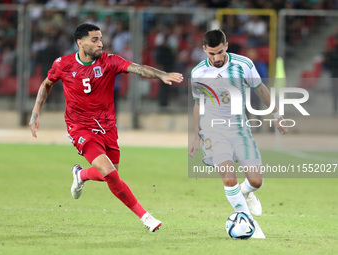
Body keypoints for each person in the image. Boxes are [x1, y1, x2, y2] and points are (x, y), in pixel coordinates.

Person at [29, 23, 183, 232]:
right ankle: (146, 217)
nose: (100, 44)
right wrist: (35, 113)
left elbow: (137, 68)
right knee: (109, 172)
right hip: (80, 127)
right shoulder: (63, 64)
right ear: (80, 43)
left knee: (110, 175)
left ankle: (81, 175)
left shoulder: (110, 61)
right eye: (94, 40)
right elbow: (47, 84)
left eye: (101, 39)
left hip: (107, 127)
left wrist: (161, 74)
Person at [188, 29, 288, 239]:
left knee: (256, 180)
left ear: (226, 45)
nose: (216, 58)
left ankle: (246, 192)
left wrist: (277, 115)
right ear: (204, 49)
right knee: (228, 175)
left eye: (220, 52)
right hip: (213, 130)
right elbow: (198, 103)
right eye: (211, 54)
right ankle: (249, 223)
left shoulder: (243, 64)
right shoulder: (198, 72)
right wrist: (196, 134)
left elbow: (260, 89)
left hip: (240, 128)